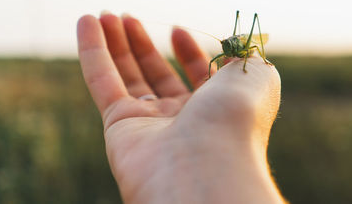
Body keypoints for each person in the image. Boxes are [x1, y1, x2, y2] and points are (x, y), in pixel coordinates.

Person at [77, 12, 286, 204]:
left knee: (252, 28)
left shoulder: (244, 49)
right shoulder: (222, 54)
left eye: (226, 45)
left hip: (248, 48)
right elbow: (217, 61)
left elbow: (248, 52)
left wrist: (243, 68)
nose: (224, 48)